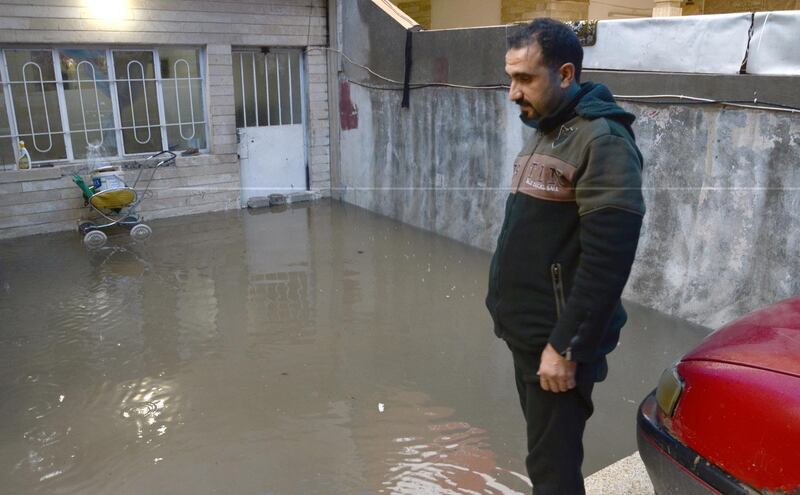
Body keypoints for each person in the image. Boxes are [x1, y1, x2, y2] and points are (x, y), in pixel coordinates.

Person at [485, 18, 646, 495]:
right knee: (544, 459)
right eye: (510, 77)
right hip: (529, 335)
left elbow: (608, 260)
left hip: (556, 345)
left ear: (567, 74)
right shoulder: (548, 128)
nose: (513, 92)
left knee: (553, 471)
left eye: (526, 78)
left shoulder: (604, 141)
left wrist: (566, 347)